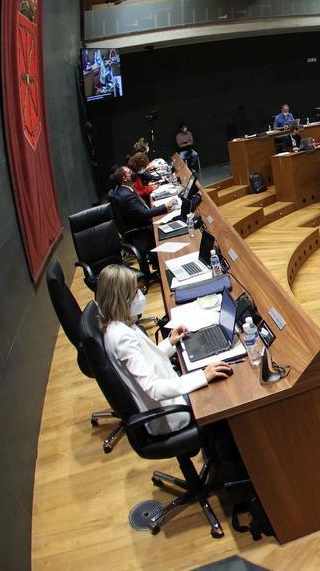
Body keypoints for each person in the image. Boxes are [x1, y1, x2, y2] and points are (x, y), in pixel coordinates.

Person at [97, 265, 231, 436]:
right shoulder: (122, 338)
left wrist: (170, 342)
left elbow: (147, 359)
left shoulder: (118, 324)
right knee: (224, 391)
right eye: (135, 293)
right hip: (170, 412)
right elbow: (153, 389)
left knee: (205, 368)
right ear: (122, 300)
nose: (141, 295)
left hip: (169, 389)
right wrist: (202, 376)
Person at [109, 165, 176, 267]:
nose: (134, 174)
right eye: (130, 172)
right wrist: (165, 207)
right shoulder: (125, 195)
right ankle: (163, 264)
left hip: (139, 227)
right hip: (140, 233)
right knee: (172, 228)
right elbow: (144, 214)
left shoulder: (122, 189)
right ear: (125, 178)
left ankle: (157, 262)